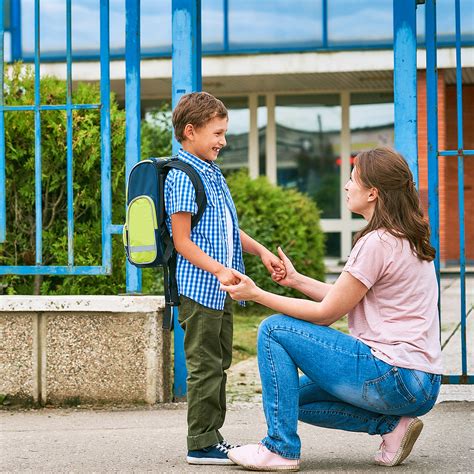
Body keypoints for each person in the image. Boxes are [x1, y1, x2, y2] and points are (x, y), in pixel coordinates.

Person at [221, 147, 443, 471]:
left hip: (394, 374)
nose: (346, 186)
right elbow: (342, 297)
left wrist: (256, 294)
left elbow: (327, 313)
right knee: (288, 398)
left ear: (373, 193)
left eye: (352, 179)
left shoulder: (376, 242)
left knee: (273, 329)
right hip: (421, 384)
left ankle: (279, 449)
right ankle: (393, 427)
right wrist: (296, 280)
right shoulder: (405, 236)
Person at [165, 92, 286, 465]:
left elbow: (229, 231)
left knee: (218, 364)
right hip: (201, 289)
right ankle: (200, 444)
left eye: (223, 133)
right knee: (204, 366)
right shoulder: (183, 177)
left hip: (221, 290)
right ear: (190, 131)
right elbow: (181, 241)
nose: (223, 141)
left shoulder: (210, 172)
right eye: (217, 133)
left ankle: (211, 437)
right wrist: (219, 270)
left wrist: (261, 251)